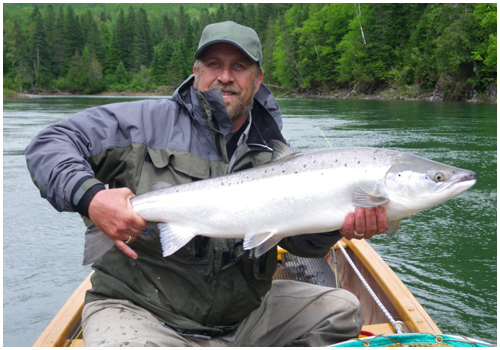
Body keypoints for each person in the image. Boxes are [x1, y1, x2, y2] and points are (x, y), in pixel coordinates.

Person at [25, 21, 388, 347]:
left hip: (243, 318)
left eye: (239, 66)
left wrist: (338, 227)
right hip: (142, 312)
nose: (225, 76)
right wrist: (91, 198)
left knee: (341, 311)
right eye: (214, 64)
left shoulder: (274, 153)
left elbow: (299, 241)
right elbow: (49, 144)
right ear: (196, 71)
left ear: (257, 79)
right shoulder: (139, 123)